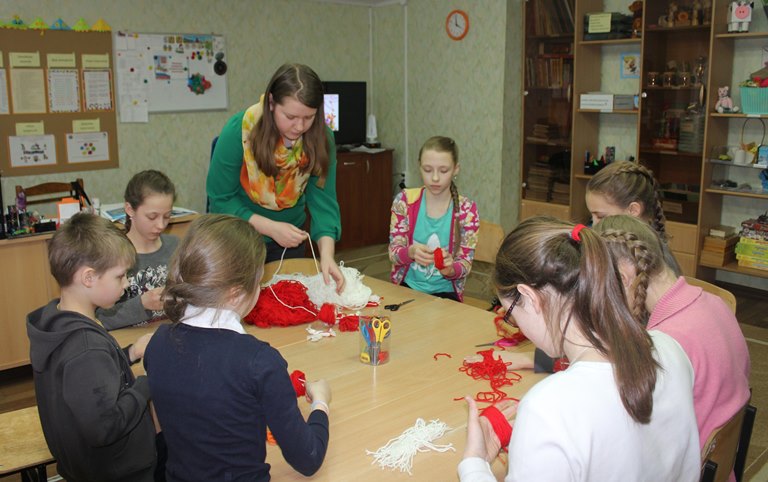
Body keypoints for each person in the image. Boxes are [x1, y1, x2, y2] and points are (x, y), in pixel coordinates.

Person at [458, 216, 699, 481]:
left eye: (510, 313)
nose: (518, 325)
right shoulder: (671, 349)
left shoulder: (547, 409)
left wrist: (474, 463)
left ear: (529, 296)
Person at [144, 214, 331, 481]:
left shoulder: (158, 342)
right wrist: (321, 403)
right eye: (259, 281)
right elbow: (308, 458)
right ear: (235, 293)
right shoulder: (259, 361)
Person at [595, 215, 751, 457]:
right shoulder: (714, 301)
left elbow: (632, 431)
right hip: (719, 460)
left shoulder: (665, 345)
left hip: (686, 464)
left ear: (624, 278)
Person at [27, 212, 157, 482]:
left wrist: (131, 353)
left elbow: (86, 381)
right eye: (120, 276)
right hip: (116, 473)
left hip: (86, 467)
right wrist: (145, 383)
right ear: (88, 278)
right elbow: (105, 427)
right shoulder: (86, 348)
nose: (127, 283)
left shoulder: (58, 321)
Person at [206, 63, 344, 292]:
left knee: (285, 302)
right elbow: (221, 200)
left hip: (289, 242)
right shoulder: (239, 132)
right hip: (239, 239)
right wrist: (271, 228)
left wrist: (327, 256)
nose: (299, 126)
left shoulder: (321, 138)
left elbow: (324, 202)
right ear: (271, 103)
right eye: (290, 116)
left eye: (309, 117)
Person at [388, 136, 479, 301]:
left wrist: (450, 269)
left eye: (443, 171)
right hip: (407, 287)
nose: (435, 178)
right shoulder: (404, 201)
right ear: (419, 166)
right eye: (428, 170)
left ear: (456, 169)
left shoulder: (467, 211)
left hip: (446, 293)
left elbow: (465, 264)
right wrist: (411, 252)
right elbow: (393, 254)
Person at [98, 170, 179, 329]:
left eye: (167, 216)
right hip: (126, 340)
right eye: (152, 217)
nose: (161, 225)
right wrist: (142, 304)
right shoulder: (110, 254)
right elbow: (98, 318)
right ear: (130, 209)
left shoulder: (175, 246)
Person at [586, 159, 682, 275]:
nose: (594, 225)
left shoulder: (647, 261)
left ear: (633, 210)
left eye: (601, 217)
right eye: (592, 217)